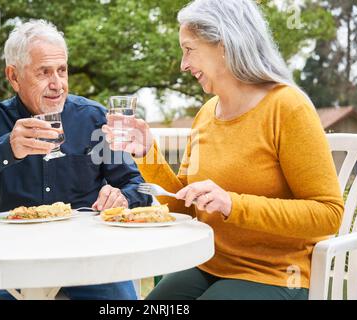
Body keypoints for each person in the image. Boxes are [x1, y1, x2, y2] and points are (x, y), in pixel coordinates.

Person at [103, 0, 344, 300]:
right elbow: (184, 207)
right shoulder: (206, 113)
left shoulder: (287, 108)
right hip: (207, 262)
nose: (183, 64)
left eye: (189, 49)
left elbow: (328, 214)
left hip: (274, 273)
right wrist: (147, 153)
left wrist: (232, 204)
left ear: (225, 44)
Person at [0, 19, 151, 300]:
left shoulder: (93, 118)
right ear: (14, 76)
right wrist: (6, 149)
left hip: (90, 260)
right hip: (12, 263)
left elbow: (138, 187)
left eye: (62, 70)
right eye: (43, 72)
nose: (57, 84)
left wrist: (123, 198)